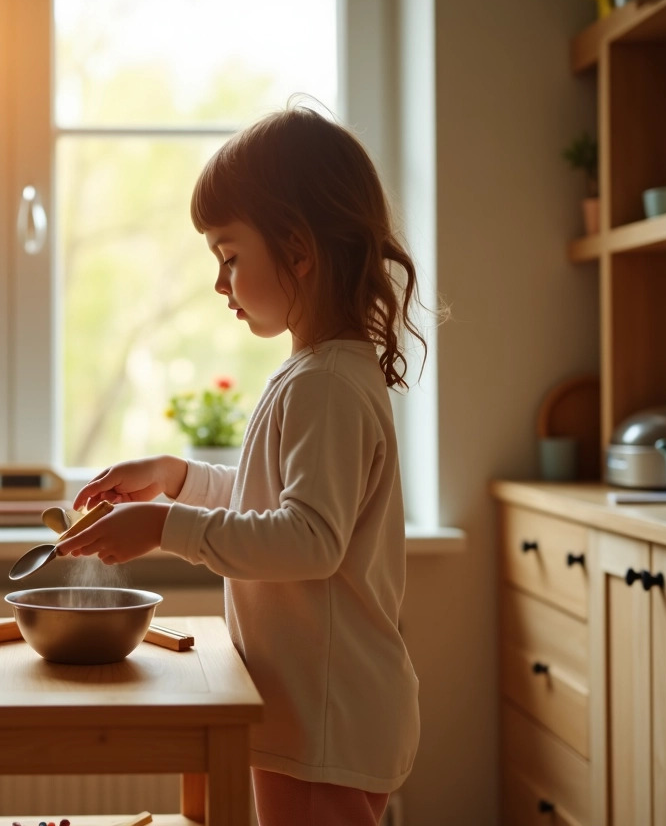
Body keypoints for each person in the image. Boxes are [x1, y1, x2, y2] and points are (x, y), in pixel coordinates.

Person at [55, 103, 428, 826]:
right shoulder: (319, 373)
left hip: (324, 716)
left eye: (229, 256)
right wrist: (179, 477)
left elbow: (309, 541)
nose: (220, 283)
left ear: (298, 250)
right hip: (320, 708)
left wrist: (168, 525)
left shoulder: (324, 384)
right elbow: (278, 502)